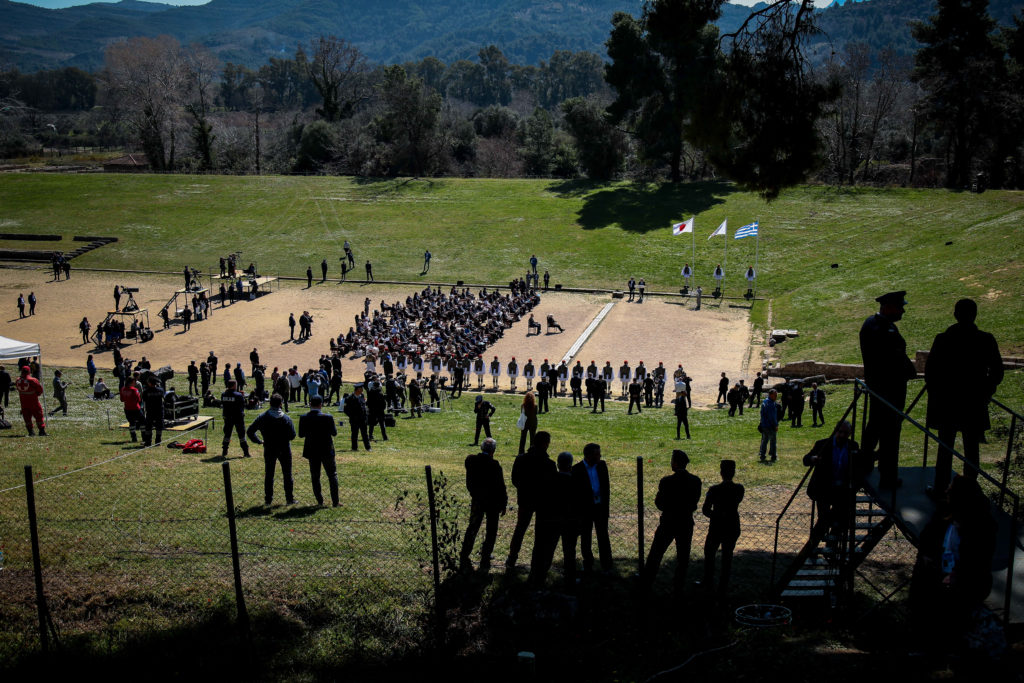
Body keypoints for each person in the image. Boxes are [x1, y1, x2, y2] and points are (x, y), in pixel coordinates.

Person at [910, 475, 998, 657]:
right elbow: (927, 536)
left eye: (951, 489)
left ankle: (950, 648)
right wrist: (928, 556)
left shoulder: (982, 525)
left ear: (961, 496)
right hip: (940, 570)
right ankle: (925, 644)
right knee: (925, 586)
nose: (946, 491)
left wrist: (958, 574)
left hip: (967, 578)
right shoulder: (944, 513)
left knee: (951, 597)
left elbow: (978, 560)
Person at [925, 298, 1004, 494]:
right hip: (973, 404)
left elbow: (931, 373)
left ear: (955, 314)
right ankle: (968, 491)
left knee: (945, 448)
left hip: (948, 403)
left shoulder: (943, 339)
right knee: (971, 449)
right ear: (975, 315)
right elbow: (997, 372)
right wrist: (985, 391)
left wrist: (937, 394)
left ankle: (941, 488)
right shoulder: (986, 340)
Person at [860, 291, 918, 489]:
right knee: (890, 434)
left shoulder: (871, 324)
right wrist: (911, 371)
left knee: (874, 426)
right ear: (889, 307)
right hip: (889, 390)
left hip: (878, 388)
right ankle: (888, 477)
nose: (902, 310)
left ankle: (866, 464)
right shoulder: (884, 330)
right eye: (900, 307)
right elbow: (897, 360)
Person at [642, 450, 702, 589]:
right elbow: (694, 503)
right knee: (683, 557)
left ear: (675, 463)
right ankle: (678, 585)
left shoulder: (666, 481)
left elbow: (659, 503)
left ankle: (647, 581)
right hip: (686, 522)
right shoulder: (695, 481)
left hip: (668, 521)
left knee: (656, 554)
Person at [803, 420, 863, 535]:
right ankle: (813, 545)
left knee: (839, 523)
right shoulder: (823, 444)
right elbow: (805, 460)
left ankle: (831, 548)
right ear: (835, 431)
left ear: (850, 434)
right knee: (823, 521)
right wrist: (812, 459)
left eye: (845, 433)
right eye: (840, 432)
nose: (842, 435)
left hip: (842, 491)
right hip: (824, 489)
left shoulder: (853, 446)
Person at [506, 430, 555, 571]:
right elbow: (552, 484)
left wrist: (524, 489)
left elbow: (515, 479)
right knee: (540, 533)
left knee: (520, 529)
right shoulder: (549, 463)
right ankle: (537, 561)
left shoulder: (521, 459)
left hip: (525, 499)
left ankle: (512, 557)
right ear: (546, 444)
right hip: (542, 502)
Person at [529, 451, 578, 588]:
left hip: (550, 521)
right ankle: (570, 581)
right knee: (569, 553)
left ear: (557, 464)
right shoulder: (575, 482)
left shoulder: (549, 480)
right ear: (570, 465)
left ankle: (539, 578)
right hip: (569, 522)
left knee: (547, 551)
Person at [460, 438, 507, 572]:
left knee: (473, 527)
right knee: (491, 530)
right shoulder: (495, 465)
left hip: (478, 499)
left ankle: (465, 553)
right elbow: (501, 486)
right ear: (494, 451)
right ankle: (485, 556)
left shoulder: (472, 461)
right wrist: (503, 503)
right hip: (493, 502)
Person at [702, 459, 744, 594]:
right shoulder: (739, 489)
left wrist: (716, 516)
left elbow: (705, 509)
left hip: (716, 526)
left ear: (721, 472)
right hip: (732, 525)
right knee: (727, 555)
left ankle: (708, 581)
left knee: (710, 553)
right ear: (733, 472)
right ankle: (723, 584)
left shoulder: (714, 490)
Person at [247, 393, 297, 506]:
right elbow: (293, 435)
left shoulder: (263, 417)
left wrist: (259, 441)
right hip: (284, 448)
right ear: (281, 404)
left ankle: (268, 500)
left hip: (269, 447)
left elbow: (250, 431)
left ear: (270, 403)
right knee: (287, 474)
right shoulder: (286, 418)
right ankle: (289, 499)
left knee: (269, 474)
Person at [573, 443, 612, 574]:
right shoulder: (577, 469)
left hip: (600, 507)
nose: (600, 456)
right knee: (586, 537)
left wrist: (606, 508)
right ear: (589, 456)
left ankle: (606, 565)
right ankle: (588, 564)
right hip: (585, 509)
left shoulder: (602, 466)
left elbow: (606, 489)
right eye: (597, 454)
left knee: (603, 537)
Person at [221, 379, 250, 458]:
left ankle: (224, 450)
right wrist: (243, 396)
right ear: (234, 385)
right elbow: (243, 405)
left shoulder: (223, 394)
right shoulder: (238, 395)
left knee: (227, 434)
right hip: (238, 417)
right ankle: (246, 452)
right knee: (241, 435)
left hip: (227, 417)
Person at [15, 366, 45, 436]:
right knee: (39, 415)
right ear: (29, 371)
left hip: (23, 402)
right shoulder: (32, 380)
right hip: (33, 402)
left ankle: (31, 432)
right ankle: (41, 431)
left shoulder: (17, 380)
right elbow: (40, 390)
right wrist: (36, 394)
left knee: (27, 417)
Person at [344, 384, 371, 451]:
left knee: (364, 434)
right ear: (357, 389)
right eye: (361, 388)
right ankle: (354, 447)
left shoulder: (362, 396)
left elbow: (363, 406)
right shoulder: (350, 398)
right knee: (354, 434)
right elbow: (346, 410)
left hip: (363, 419)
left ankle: (368, 447)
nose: (362, 390)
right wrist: (352, 416)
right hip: (354, 419)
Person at [140, 375, 165, 447]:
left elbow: (143, 400)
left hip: (150, 411)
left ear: (150, 383)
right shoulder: (161, 390)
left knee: (148, 427)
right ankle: (158, 441)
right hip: (159, 411)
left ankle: (148, 442)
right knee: (159, 426)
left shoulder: (146, 391)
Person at [758, 388, 779, 462]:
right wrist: (775, 425)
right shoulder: (771, 404)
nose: (776, 396)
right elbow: (772, 416)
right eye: (775, 395)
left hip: (764, 425)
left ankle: (762, 455)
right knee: (773, 441)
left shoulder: (765, 402)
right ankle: (773, 455)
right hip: (770, 426)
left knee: (764, 441)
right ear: (771, 395)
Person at [119, 376, 142, 443]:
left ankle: (133, 438)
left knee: (131, 423)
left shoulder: (122, 389)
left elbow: (122, 399)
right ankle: (144, 437)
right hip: (136, 408)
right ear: (132, 382)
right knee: (143, 422)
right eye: (134, 382)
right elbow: (139, 399)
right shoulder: (134, 390)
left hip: (127, 408)